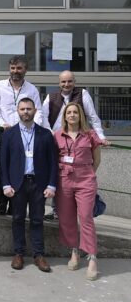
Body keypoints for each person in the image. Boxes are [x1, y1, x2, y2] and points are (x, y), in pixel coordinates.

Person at [42, 70, 110, 221]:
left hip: (77, 139)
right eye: (63, 82)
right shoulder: (51, 96)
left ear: (75, 81)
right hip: (57, 139)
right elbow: (42, 116)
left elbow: (93, 117)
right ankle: (56, 210)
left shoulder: (83, 94)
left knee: (77, 176)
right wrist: (50, 134)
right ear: (59, 83)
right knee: (58, 172)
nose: (66, 84)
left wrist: (101, 137)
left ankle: (85, 208)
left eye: (69, 81)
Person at [1, 97, 57, 273]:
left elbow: (53, 162)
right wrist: (5, 185)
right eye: (22, 109)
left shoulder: (45, 134)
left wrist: (52, 185)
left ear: (35, 111)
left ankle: (39, 255)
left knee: (37, 220)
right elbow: (3, 162)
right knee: (17, 218)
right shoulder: (9, 134)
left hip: (39, 184)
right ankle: (18, 254)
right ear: (17, 111)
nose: (26, 112)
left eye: (29, 109)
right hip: (17, 184)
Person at [0, 55, 43, 216]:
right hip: (3, 132)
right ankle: (2, 203)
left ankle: (15, 204)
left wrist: (34, 127)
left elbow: (38, 110)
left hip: (24, 134)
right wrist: (1, 122)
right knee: (2, 168)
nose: (15, 71)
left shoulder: (31, 89)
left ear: (25, 70)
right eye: (12, 68)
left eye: (19, 68)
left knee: (18, 168)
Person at [54, 102, 102, 280]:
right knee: (66, 218)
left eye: (75, 112)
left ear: (80, 115)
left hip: (85, 180)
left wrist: (88, 175)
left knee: (86, 217)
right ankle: (74, 251)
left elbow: (97, 160)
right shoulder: (57, 135)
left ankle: (92, 257)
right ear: (65, 116)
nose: (72, 115)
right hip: (64, 179)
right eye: (69, 112)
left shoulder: (90, 135)